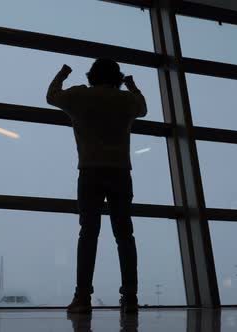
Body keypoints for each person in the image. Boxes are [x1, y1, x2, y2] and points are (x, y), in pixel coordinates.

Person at [46, 58, 147, 314]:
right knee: (124, 235)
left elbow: (51, 96)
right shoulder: (126, 101)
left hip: (90, 172)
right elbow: (143, 108)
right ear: (117, 77)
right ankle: (130, 296)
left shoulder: (80, 95)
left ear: (91, 76)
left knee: (88, 234)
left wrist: (62, 73)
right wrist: (132, 86)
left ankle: (82, 297)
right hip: (121, 173)